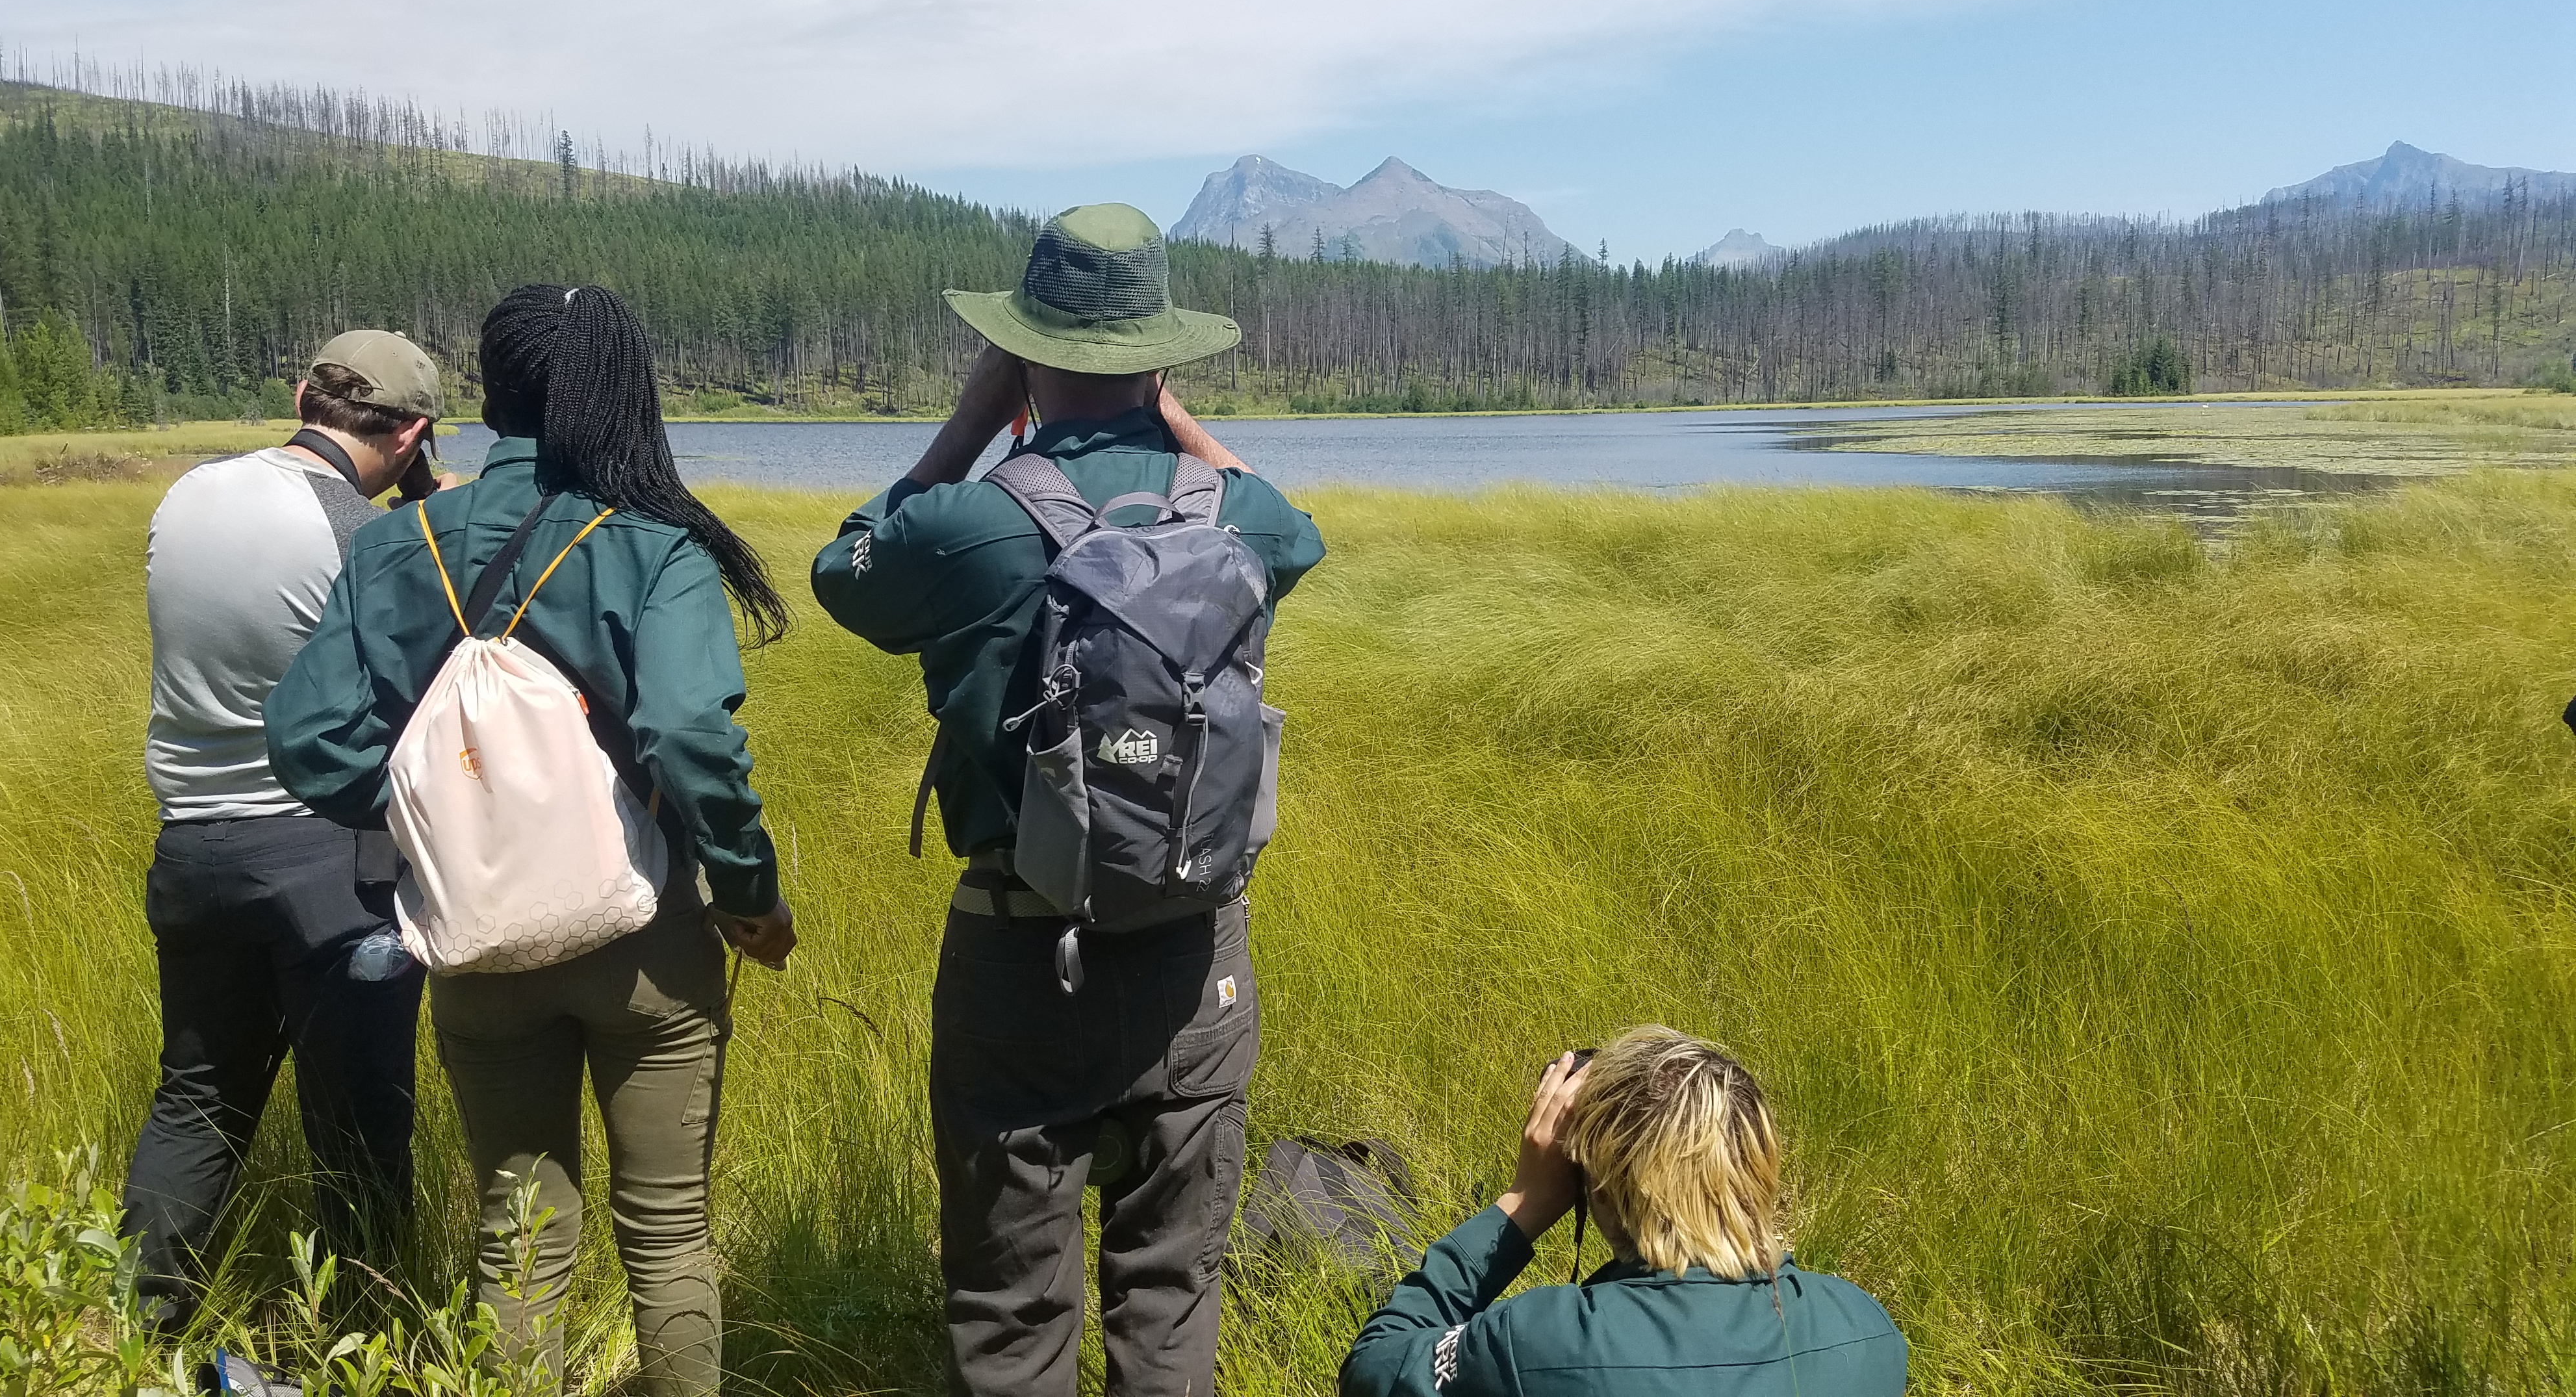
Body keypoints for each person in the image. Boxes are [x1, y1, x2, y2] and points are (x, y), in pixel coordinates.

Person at [813, 203, 1323, 1397]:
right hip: (1198, 950)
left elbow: (844, 570)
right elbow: (1295, 532)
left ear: (1024, 353)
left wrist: (971, 422)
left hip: (1017, 951)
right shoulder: (1236, 517)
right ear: (1160, 351)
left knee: (1008, 1309)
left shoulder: (971, 522)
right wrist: (1170, 417)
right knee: (1170, 1288)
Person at [266, 285, 798, 1397]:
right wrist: (748, 890)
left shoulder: (392, 543)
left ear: (492, 393)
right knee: (665, 1231)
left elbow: (310, 740)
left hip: (478, 943)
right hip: (648, 940)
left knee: (517, 1237)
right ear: (617, 392)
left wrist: (436, 816)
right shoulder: (655, 540)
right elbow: (692, 732)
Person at [123, 330, 451, 1331]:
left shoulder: (188, 494)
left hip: (193, 845)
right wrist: (429, 513)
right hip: (326, 860)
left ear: (301, 394)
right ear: (414, 436)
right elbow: (430, 677)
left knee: (199, 1098)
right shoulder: (362, 530)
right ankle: (364, 1338)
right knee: (357, 1123)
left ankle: (130, 1332)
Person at [1342, 1027, 1909, 1396]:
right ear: (1756, 1164)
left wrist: (1523, 1203)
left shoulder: (1542, 1342)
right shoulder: (1866, 1329)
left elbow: (1374, 1368)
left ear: (1605, 1190)